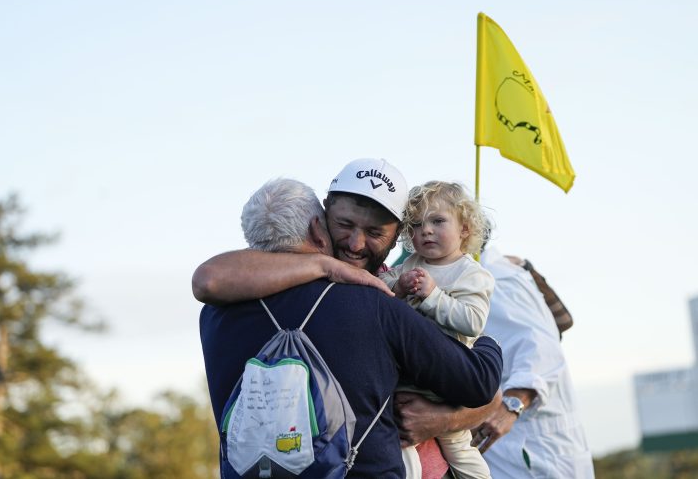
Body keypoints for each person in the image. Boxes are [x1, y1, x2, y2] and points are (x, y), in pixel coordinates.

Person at [193, 158, 501, 478]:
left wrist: (445, 420)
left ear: (398, 234)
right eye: (344, 225)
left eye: (374, 231)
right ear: (321, 221)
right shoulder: (377, 302)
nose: (355, 244)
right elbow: (479, 382)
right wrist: (488, 343)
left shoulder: (217, 311)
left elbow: (490, 398)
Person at [380, 181, 494, 479]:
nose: (426, 230)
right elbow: (379, 291)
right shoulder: (411, 264)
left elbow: (473, 322)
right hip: (404, 379)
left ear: (465, 229)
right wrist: (398, 286)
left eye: (438, 221)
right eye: (416, 225)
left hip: (446, 384)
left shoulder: (472, 274)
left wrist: (433, 297)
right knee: (401, 447)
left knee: (460, 451)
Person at [470, 246, 594, 478]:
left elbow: (543, 348)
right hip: (515, 447)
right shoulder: (489, 272)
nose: (425, 232)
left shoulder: (493, 277)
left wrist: (511, 407)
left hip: (530, 449)